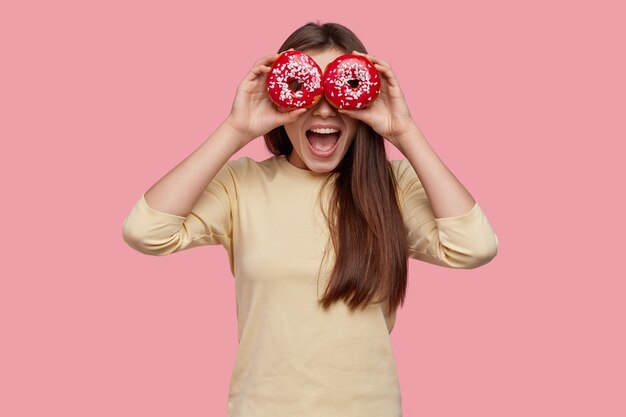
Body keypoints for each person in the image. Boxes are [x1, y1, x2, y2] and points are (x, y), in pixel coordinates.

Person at [122, 21, 498, 417]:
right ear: (280, 104)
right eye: (306, 92)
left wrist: (404, 131)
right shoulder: (242, 185)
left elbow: (475, 247)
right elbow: (145, 231)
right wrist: (235, 128)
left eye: (339, 93)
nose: (322, 108)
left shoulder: (394, 188)